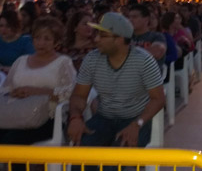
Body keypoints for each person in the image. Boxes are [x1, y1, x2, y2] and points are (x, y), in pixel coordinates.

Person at [0, 17, 76, 171]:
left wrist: (40, 92)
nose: (41, 43)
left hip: (46, 118)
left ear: (56, 41)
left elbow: (70, 92)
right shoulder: (21, 61)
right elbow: (4, 88)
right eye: (37, 38)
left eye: (47, 39)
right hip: (14, 113)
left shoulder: (63, 62)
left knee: (13, 140)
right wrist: (14, 92)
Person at [67, 13, 165, 162]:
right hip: (104, 118)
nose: (96, 39)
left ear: (119, 40)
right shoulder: (92, 59)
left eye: (103, 35)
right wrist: (75, 118)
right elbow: (79, 95)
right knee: (81, 155)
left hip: (135, 118)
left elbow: (158, 99)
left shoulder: (143, 60)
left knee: (114, 160)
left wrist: (137, 124)